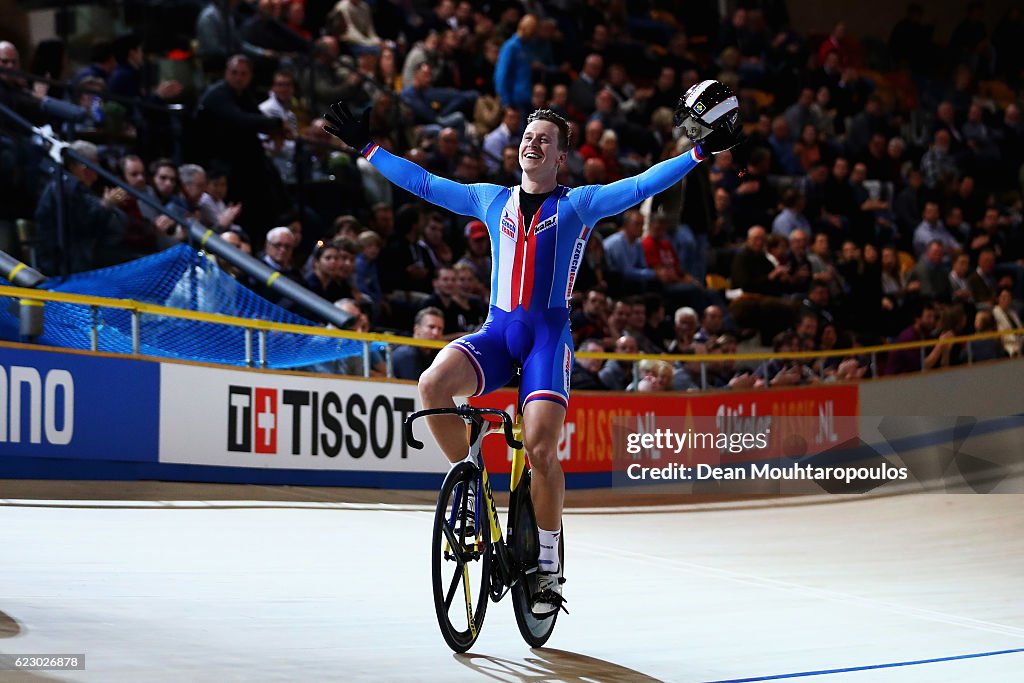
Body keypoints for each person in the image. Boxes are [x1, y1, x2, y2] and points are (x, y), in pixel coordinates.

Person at [322, 79, 740, 616]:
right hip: (498, 332)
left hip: (547, 338)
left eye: (545, 138)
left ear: (561, 157)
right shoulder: (489, 199)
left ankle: (547, 565)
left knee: (542, 451)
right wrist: (369, 148)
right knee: (430, 385)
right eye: (527, 134)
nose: (532, 143)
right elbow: (424, 183)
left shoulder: (580, 204)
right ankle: (471, 484)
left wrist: (699, 151)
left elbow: (639, 185)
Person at [393, 307, 445, 379]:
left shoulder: (437, 355)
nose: (436, 333)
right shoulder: (406, 354)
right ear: (417, 329)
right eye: (431, 327)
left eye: (440, 329)